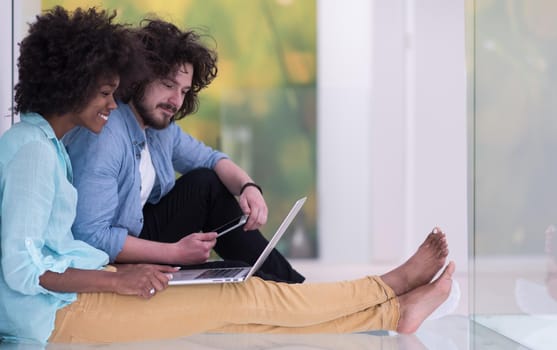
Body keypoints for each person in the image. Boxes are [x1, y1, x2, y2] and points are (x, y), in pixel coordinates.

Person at [0, 6, 457, 345]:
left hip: (63, 301)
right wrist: (119, 277)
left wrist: (246, 187)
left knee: (241, 306)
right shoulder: (35, 153)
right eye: (105, 92)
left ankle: (393, 313)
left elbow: (52, 249)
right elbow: (23, 269)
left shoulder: (44, 146)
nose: (109, 103)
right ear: (72, 85)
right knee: (243, 300)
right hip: (51, 317)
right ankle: (388, 289)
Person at [63, 19, 304, 283]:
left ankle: (289, 287)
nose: (176, 101)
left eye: (184, 91)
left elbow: (211, 160)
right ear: (137, 78)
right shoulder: (106, 136)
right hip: (106, 258)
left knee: (207, 185)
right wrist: (176, 252)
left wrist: (248, 187)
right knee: (239, 267)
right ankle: (292, 289)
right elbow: (91, 236)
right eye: (168, 85)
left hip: (138, 233)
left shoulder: (159, 128)